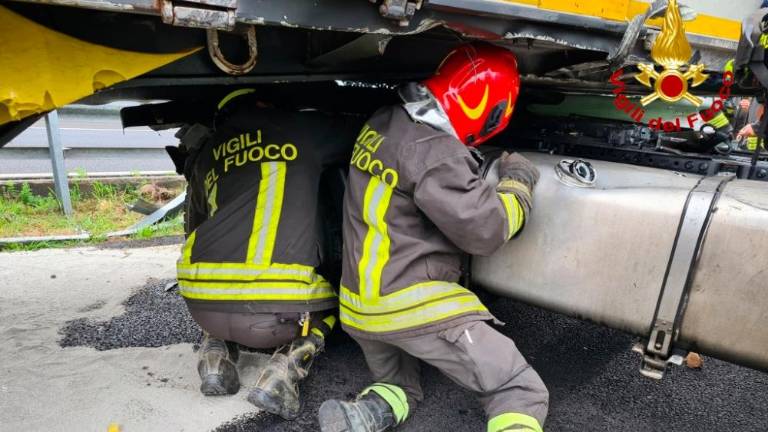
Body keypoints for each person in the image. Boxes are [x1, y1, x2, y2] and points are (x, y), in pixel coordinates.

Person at [318, 43, 549, 432]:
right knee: (519, 388)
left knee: (397, 381)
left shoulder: (383, 121)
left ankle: (372, 410)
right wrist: (518, 184)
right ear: (492, 109)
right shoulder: (438, 155)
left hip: (358, 307)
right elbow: (486, 231)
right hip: (409, 305)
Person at [176, 89, 358, 419]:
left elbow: (199, 218)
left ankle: (215, 356)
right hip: (276, 321)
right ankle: (284, 371)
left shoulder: (206, 154)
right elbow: (362, 135)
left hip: (202, 308)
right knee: (340, 301)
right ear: (265, 102)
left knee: (227, 270)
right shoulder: (299, 130)